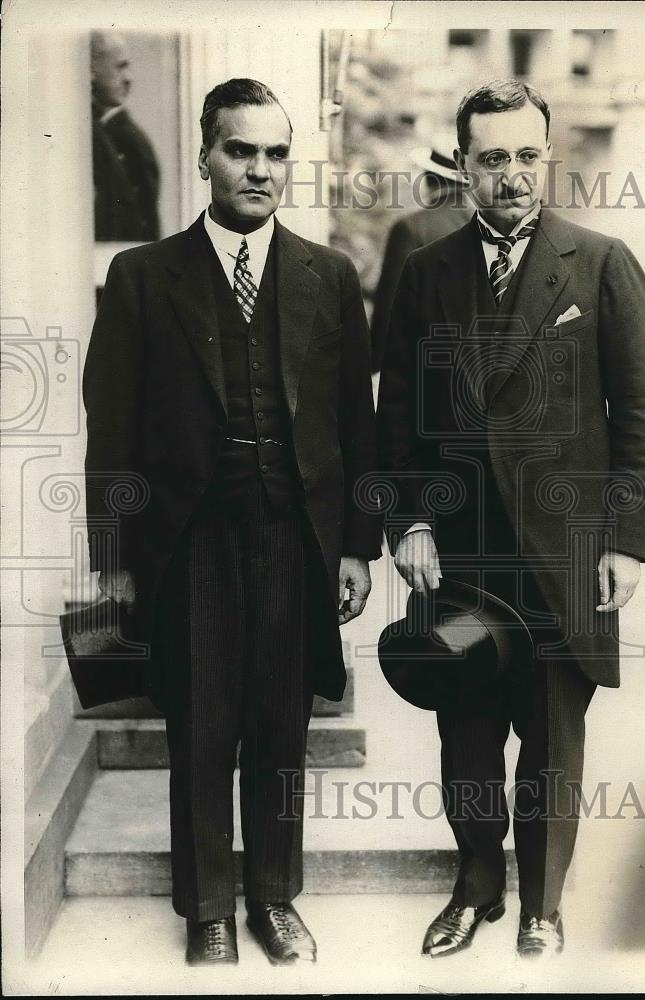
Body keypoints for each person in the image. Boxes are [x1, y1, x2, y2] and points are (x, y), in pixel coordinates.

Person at [83, 78, 381, 967]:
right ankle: (208, 906)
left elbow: (356, 429)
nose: (259, 169)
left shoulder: (328, 278)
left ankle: (273, 899)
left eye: (275, 153)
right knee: (202, 723)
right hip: (190, 541)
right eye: (241, 150)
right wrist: (116, 559)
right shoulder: (141, 275)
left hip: (294, 537)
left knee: (279, 725)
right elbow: (114, 430)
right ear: (205, 156)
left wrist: (359, 547)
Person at [377, 79, 645, 959]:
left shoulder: (601, 262)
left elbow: (641, 413)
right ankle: (474, 889)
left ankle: (541, 904)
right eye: (491, 157)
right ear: (461, 165)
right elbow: (398, 418)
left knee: (549, 738)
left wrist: (622, 540)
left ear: (549, 158)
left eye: (525, 156)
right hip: (460, 549)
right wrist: (410, 524)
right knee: (464, 730)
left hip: (562, 549)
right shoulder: (425, 271)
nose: (510, 175)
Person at [370, 135, 472, 372]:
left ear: (428, 180)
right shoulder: (480, 227)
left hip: (421, 369)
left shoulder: (410, 229)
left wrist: (376, 367)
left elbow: (389, 310)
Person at [90, 31, 161, 242]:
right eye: (120, 67)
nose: (129, 78)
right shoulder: (87, 132)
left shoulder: (132, 141)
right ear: (89, 69)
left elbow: (144, 224)